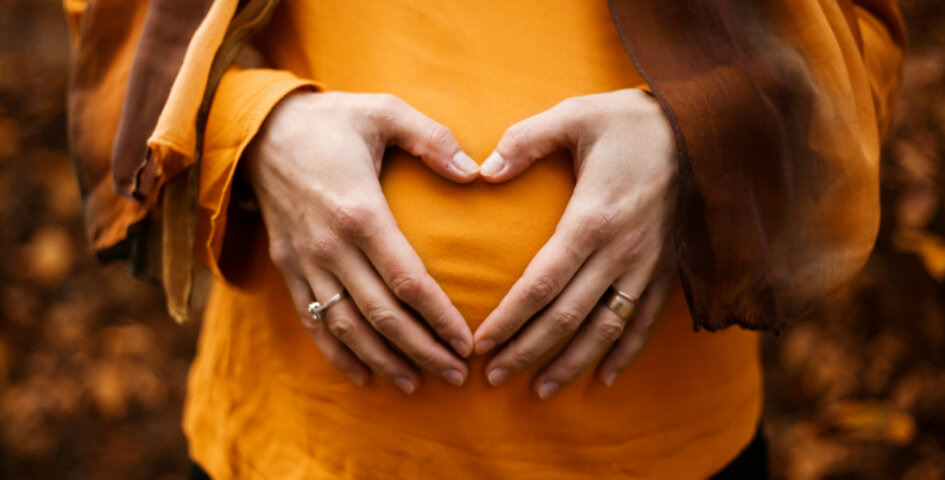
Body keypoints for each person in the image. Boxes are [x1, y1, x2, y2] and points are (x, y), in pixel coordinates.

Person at [64, 0, 905, 478]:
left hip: (666, 454)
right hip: (304, 447)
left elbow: (859, 33)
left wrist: (700, 138)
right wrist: (251, 129)